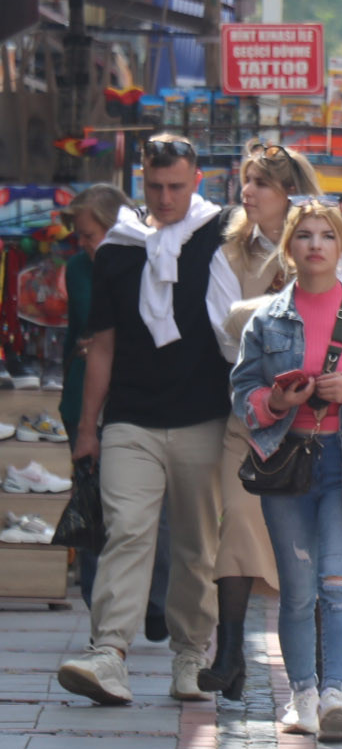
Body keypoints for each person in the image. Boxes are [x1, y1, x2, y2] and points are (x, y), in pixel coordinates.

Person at [56, 135, 233, 705]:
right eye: (154, 187)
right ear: (141, 182)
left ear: (197, 180)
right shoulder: (119, 249)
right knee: (127, 531)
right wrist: (89, 428)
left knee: (195, 546)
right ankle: (109, 653)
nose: (164, 198)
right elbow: (101, 345)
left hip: (204, 415)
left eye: (176, 186)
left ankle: (189, 657)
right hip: (129, 417)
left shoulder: (221, 238)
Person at [231, 199, 342, 742]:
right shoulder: (266, 319)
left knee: (337, 582)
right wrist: (278, 402)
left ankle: (335, 694)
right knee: (297, 590)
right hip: (287, 463)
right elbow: (243, 393)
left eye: (326, 236)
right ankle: (302, 696)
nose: (315, 245)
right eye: (305, 235)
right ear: (289, 248)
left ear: (340, 248)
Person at [197, 141, 325, 700]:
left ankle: (316, 669)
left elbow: (337, 320)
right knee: (240, 521)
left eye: (261, 184)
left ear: (289, 193)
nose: (247, 193)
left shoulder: (322, 244)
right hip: (250, 414)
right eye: (245, 182)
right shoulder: (228, 255)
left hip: (319, 418)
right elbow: (226, 334)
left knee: (310, 540)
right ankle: (229, 653)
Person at [61, 185, 170, 637]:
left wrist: (108, 340)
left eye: (90, 234)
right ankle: (100, 609)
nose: (85, 244)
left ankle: (155, 601)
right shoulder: (78, 267)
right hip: (84, 393)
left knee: (146, 507)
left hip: (137, 393)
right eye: (80, 237)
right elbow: (85, 322)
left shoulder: (146, 257)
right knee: (96, 502)